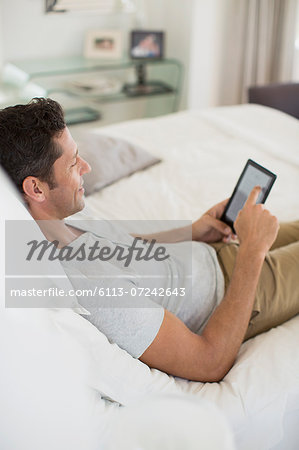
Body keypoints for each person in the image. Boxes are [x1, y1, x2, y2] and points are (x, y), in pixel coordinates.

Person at [0, 98, 298, 383]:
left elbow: (121, 250)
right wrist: (252, 251)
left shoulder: (58, 217)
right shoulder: (94, 289)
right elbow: (209, 362)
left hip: (216, 252)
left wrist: (193, 232)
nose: (86, 168)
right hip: (239, 288)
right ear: (36, 189)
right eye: (73, 163)